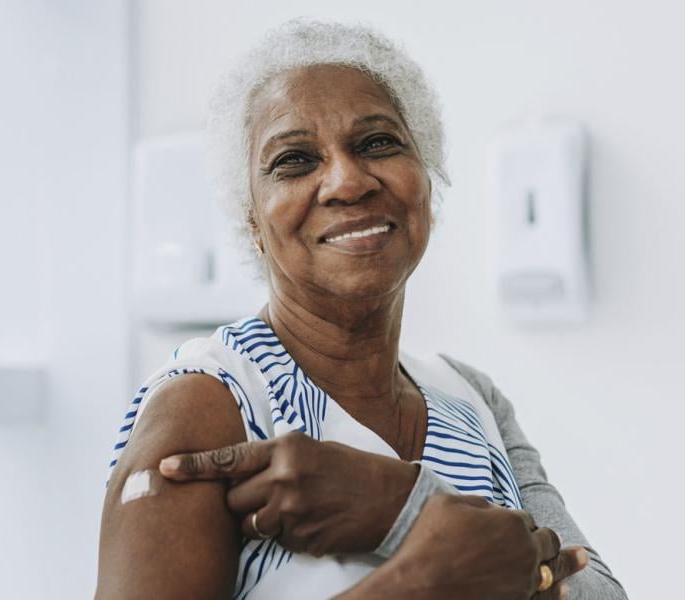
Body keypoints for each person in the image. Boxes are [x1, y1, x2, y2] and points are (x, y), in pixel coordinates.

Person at [95, 19, 627, 600]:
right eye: (294, 160)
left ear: (428, 178)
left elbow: (600, 593)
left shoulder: (473, 400)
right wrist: (423, 578)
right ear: (252, 220)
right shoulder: (210, 403)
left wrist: (399, 502)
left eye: (377, 143)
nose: (347, 182)